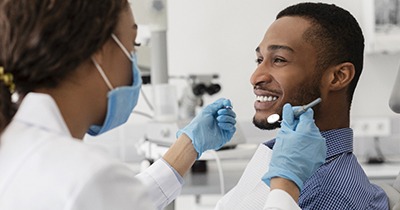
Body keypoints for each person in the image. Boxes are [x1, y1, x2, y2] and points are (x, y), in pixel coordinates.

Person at [0, 1, 237, 210]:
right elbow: (102, 194)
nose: (134, 61)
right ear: (99, 50)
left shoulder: (15, 146)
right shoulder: (90, 177)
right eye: (132, 45)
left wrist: (188, 146)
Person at [216, 2, 389, 210]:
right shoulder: (284, 162)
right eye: (259, 59)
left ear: (338, 77)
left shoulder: (326, 194)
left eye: (279, 60)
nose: (256, 77)